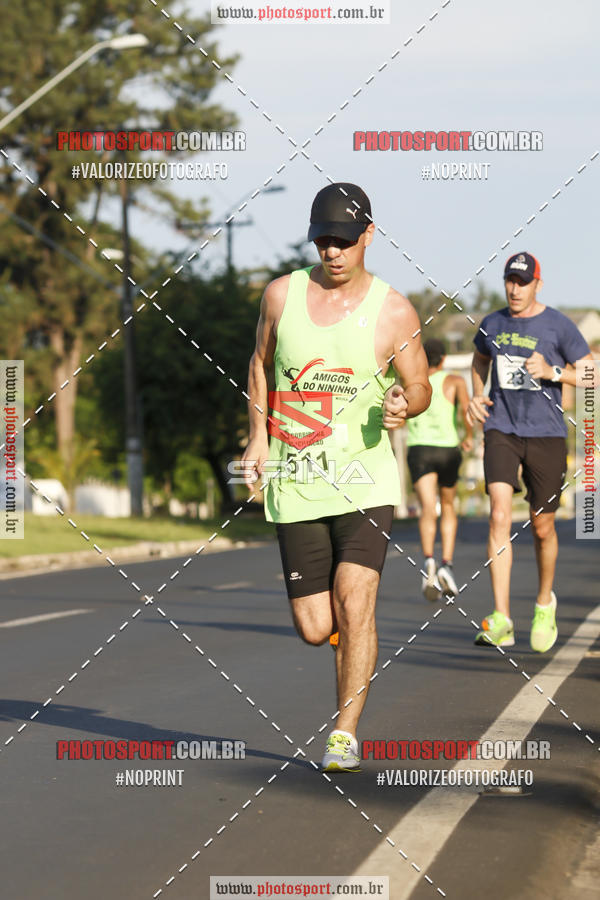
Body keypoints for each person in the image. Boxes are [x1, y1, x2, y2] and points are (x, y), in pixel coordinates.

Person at [241, 182, 431, 771]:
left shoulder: (394, 310)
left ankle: (344, 733)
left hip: (365, 479)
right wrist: (257, 435)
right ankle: (350, 641)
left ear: (368, 235)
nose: (333, 251)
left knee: (356, 600)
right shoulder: (281, 296)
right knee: (316, 625)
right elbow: (259, 364)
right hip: (296, 480)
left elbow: (420, 383)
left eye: (344, 240)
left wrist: (406, 403)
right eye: (323, 240)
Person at [467, 252, 592, 651]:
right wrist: (476, 395)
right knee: (499, 514)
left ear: (538, 284)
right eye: (510, 280)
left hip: (546, 434)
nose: (515, 289)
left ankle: (543, 602)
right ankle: (502, 618)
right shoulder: (492, 324)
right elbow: (479, 359)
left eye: (523, 282)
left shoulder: (558, 325)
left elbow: (592, 372)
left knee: (542, 527)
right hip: (501, 428)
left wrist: (554, 372)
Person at [405, 338, 473, 601]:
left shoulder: (412, 382)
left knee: (427, 508)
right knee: (447, 506)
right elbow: (467, 410)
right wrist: (468, 436)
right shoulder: (455, 381)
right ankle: (446, 563)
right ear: (443, 359)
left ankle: (429, 562)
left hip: (419, 449)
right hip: (447, 449)